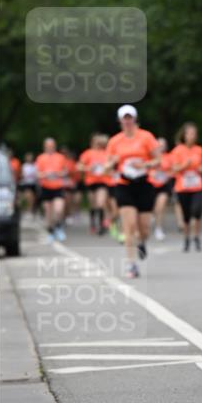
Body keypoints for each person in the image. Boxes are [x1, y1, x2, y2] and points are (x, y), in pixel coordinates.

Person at [105, 105, 160, 278]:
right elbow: (107, 169)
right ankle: (131, 264)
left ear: (135, 119)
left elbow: (158, 160)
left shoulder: (146, 137)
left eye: (130, 118)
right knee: (129, 227)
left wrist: (144, 164)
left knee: (143, 228)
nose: (127, 121)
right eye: (124, 118)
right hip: (124, 185)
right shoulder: (115, 141)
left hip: (144, 184)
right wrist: (112, 162)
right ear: (120, 120)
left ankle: (142, 241)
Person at [169, 122, 202, 252]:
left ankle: (196, 237)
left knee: (197, 211)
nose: (192, 136)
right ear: (184, 135)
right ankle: (186, 238)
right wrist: (185, 165)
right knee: (186, 216)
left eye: (194, 134)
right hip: (183, 187)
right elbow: (173, 168)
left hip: (197, 186)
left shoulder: (199, 150)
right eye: (189, 134)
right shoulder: (177, 150)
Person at [35, 138, 69, 241]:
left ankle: (59, 227)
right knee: (48, 212)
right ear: (44, 146)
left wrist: (58, 174)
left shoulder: (60, 157)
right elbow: (37, 174)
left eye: (52, 145)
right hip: (45, 187)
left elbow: (65, 171)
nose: (50, 147)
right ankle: (51, 232)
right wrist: (45, 174)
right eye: (48, 145)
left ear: (54, 146)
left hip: (57, 187)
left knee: (58, 210)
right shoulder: (40, 158)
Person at [77, 134, 110, 235]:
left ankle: (101, 226)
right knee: (93, 205)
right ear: (92, 142)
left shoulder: (106, 153)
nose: (97, 143)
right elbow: (79, 166)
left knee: (100, 203)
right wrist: (88, 168)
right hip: (90, 182)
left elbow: (110, 166)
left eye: (99, 141)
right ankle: (92, 224)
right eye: (95, 141)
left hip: (103, 182)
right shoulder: (87, 153)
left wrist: (107, 169)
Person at [149, 138, 174, 240]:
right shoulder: (149, 157)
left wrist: (168, 174)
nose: (161, 147)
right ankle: (153, 217)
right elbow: (143, 168)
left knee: (161, 206)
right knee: (152, 207)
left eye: (163, 145)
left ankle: (158, 228)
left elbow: (174, 170)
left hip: (164, 185)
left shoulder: (169, 157)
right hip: (151, 185)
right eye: (159, 145)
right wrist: (151, 173)